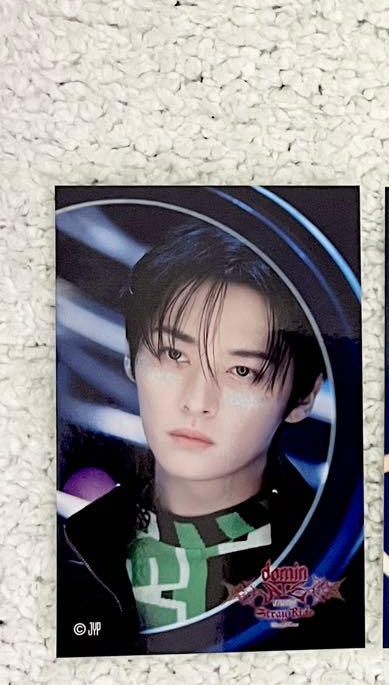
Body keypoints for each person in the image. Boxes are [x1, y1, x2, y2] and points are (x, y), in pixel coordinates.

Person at [57, 224, 344, 656]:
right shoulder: (69, 545)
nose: (197, 401)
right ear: (132, 359)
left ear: (303, 396)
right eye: (174, 355)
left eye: (242, 371)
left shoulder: (333, 565)